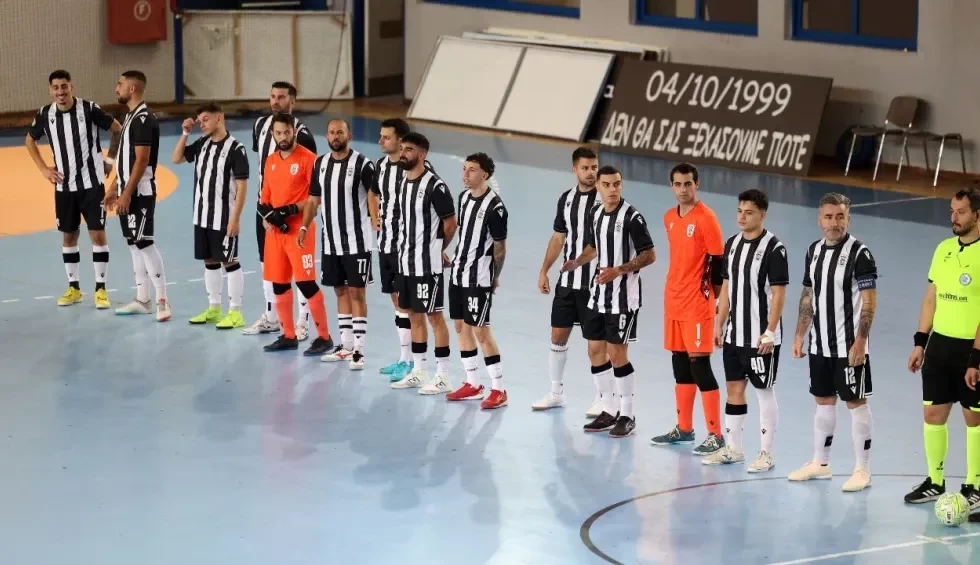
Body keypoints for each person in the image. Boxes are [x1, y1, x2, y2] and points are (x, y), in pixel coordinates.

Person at [788, 192, 877, 493]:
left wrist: (861, 341)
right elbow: (807, 295)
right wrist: (800, 334)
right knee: (823, 401)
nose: (834, 222)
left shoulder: (860, 253)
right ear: (819, 220)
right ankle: (821, 463)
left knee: (855, 402)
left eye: (840, 216)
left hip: (848, 345)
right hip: (819, 344)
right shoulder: (813, 251)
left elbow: (869, 301)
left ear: (848, 219)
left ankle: (862, 469)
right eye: (828, 216)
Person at [560, 166, 656, 438]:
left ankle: (627, 414)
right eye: (607, 185)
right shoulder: (596, 213)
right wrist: (578, 261)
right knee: (594, 350)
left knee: (617, 354)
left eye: (617, 184)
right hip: (599, 294)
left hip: (623, 299)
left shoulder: (632, 217)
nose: (613, 189)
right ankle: (608, 409)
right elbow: (594, 246)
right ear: (598, 187)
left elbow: (649, 255)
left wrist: (620, 270)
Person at [905, 188, 980, 508]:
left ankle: (975, 485)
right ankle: (935, 481)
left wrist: (976, 358)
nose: (954, 217)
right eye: (952, 211)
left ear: (977, 214)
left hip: (972, 349)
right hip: (940, 346)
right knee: (933, 413)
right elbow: (930, 299)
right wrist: (920, 342)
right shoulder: (944, 249)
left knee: (974, 418)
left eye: (961, 212)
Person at [703, 189, 787, 472]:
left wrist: (770, 332)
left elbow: (779, 294)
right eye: (740, 211)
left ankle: (766, 453)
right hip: (735, 334)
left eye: (749, 212)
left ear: (762, 215)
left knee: (764, 390)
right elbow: (726, 288)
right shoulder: (732, 244)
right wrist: (719, 324)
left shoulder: (774, 249)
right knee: (734, 388)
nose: (742, 217)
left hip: (760, 337)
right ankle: (734, 449)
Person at [25, 69, 121, 309]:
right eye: (56, 87)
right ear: (50, 90)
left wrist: (110, 160)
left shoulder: (89, 109)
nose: (60, 92)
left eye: (64, 86)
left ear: (72, 87)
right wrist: (43, 169)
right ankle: (74, 288)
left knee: (97, 234)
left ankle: (100, 290)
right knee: (69, 236)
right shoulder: (45, 114)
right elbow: (29, 140)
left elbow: (117, 129)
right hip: (64, 187)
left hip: (92, 185)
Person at [650, 163, 725, 456]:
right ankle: (684, 429)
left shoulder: (707, 218)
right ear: (671, 186)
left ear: (697, 185)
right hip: (673, 302)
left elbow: (718, 266)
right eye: (678, 184)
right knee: (680, 366)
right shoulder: (669, 217)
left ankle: (716, 434)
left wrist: (714, 301)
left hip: (696, 305)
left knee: (700, 367)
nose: (683, 189)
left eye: (688, 184)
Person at [531, 147, 610, 415]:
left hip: (596, 285)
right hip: (568, 283)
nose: (591, 172)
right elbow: (558, 237)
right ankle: (556, 393)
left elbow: (604, 243)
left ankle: (603, 398)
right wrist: (545, 270)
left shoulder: (605, 199)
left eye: (594, 167)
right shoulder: (566, 199)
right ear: (574, 169)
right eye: (585, 168)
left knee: (596, 345)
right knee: (557, 336)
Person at [302, 118, 377, 369]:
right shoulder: (320, 164)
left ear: (349, 135)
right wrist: (304, 226)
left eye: (340, 132)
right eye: (332, 132)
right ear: (327, 136)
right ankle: (345, 346)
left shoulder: (363, 164)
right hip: (331, 242)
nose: (335, 136)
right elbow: (313, 200)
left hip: (357, 242)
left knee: (357, 292)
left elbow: (375, 196)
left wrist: (377, 220)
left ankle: (359, 350)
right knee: (340, 291)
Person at [245, 81, 318, 338]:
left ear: (292, 101)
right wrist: (265, 211)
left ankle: (302, 322)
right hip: (266, 211)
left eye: (282, 97)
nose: (276, 101)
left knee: (299, 269)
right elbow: (266, 169)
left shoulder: (303, 134)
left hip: (294, 215)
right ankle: (272, 317)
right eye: (273, 96)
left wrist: (299, 211)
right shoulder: (259, 126)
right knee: (268, 265)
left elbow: (312, 184)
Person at [389, 132, 458, 394]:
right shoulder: (403, 182)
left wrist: (438, 248)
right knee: (413, 315)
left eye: (409, 149)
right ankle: (419, 371)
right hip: (405, 263)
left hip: (427, 266)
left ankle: (443, 376)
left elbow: (450, 223)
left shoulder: (434, 185)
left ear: (422, 155)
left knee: (434, 317)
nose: (403, 153)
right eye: (402, 148)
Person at [260, 113, 334, 355]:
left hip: (300, 231)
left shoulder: (309, 159)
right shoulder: (271, 160)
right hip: (276, 234)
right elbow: (265, 198)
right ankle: (288, 335)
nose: (282, 137)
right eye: (278, 133)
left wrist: (291, 209)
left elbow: (316, 199)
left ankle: (324, 337)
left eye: (286, 132)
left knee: (305, 283)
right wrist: (267, 218)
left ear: (294, 131)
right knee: (279, 284)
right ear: (273, 134)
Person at [171, 103, 249, 329]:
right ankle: (214, 309)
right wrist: (185, 133)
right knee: (210, 260)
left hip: (224, 218)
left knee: (230, 261)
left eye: (205, 119)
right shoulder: (202, 144)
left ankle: (235, 312)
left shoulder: (236, 149)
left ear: (219, 118)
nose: (202, 124)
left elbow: (242, 186)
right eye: (199, 121)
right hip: (202, 216)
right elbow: (176, 158)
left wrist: (235, 218)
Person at [444, 153, 509, 410]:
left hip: (478, 277)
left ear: (485, 175)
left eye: (472, 170)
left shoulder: (495, 208)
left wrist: (494, 277)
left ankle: (499, 389)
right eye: (465, 169)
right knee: (461, 327)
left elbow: (500, 248)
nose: (465, 174)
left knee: (481, 330)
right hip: (458, 274)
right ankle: (473, 384)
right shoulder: (463, 198)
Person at [105, 70, 171, 321]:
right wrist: (114, 189)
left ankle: (162, 301)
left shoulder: (143, 118)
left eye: (120, 84)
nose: (116, 88)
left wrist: (126, 194)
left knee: (144, 242)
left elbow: (142, 160)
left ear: (132, 88)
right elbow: (125, 161)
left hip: (140, 192)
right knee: (133, 244)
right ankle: (142, 299)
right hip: (127, 190)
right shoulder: (130, 117)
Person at [372, 118, 415, 381]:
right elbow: (373, 192)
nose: (380, 141)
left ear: (400, 141)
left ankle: (413, 361)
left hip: (407, 247)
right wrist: (374, 216)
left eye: (386, 137)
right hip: (386, 244)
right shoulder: (381, 166)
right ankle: (404, 358)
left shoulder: (414, 167)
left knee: (410, 305)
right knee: (397, 302)